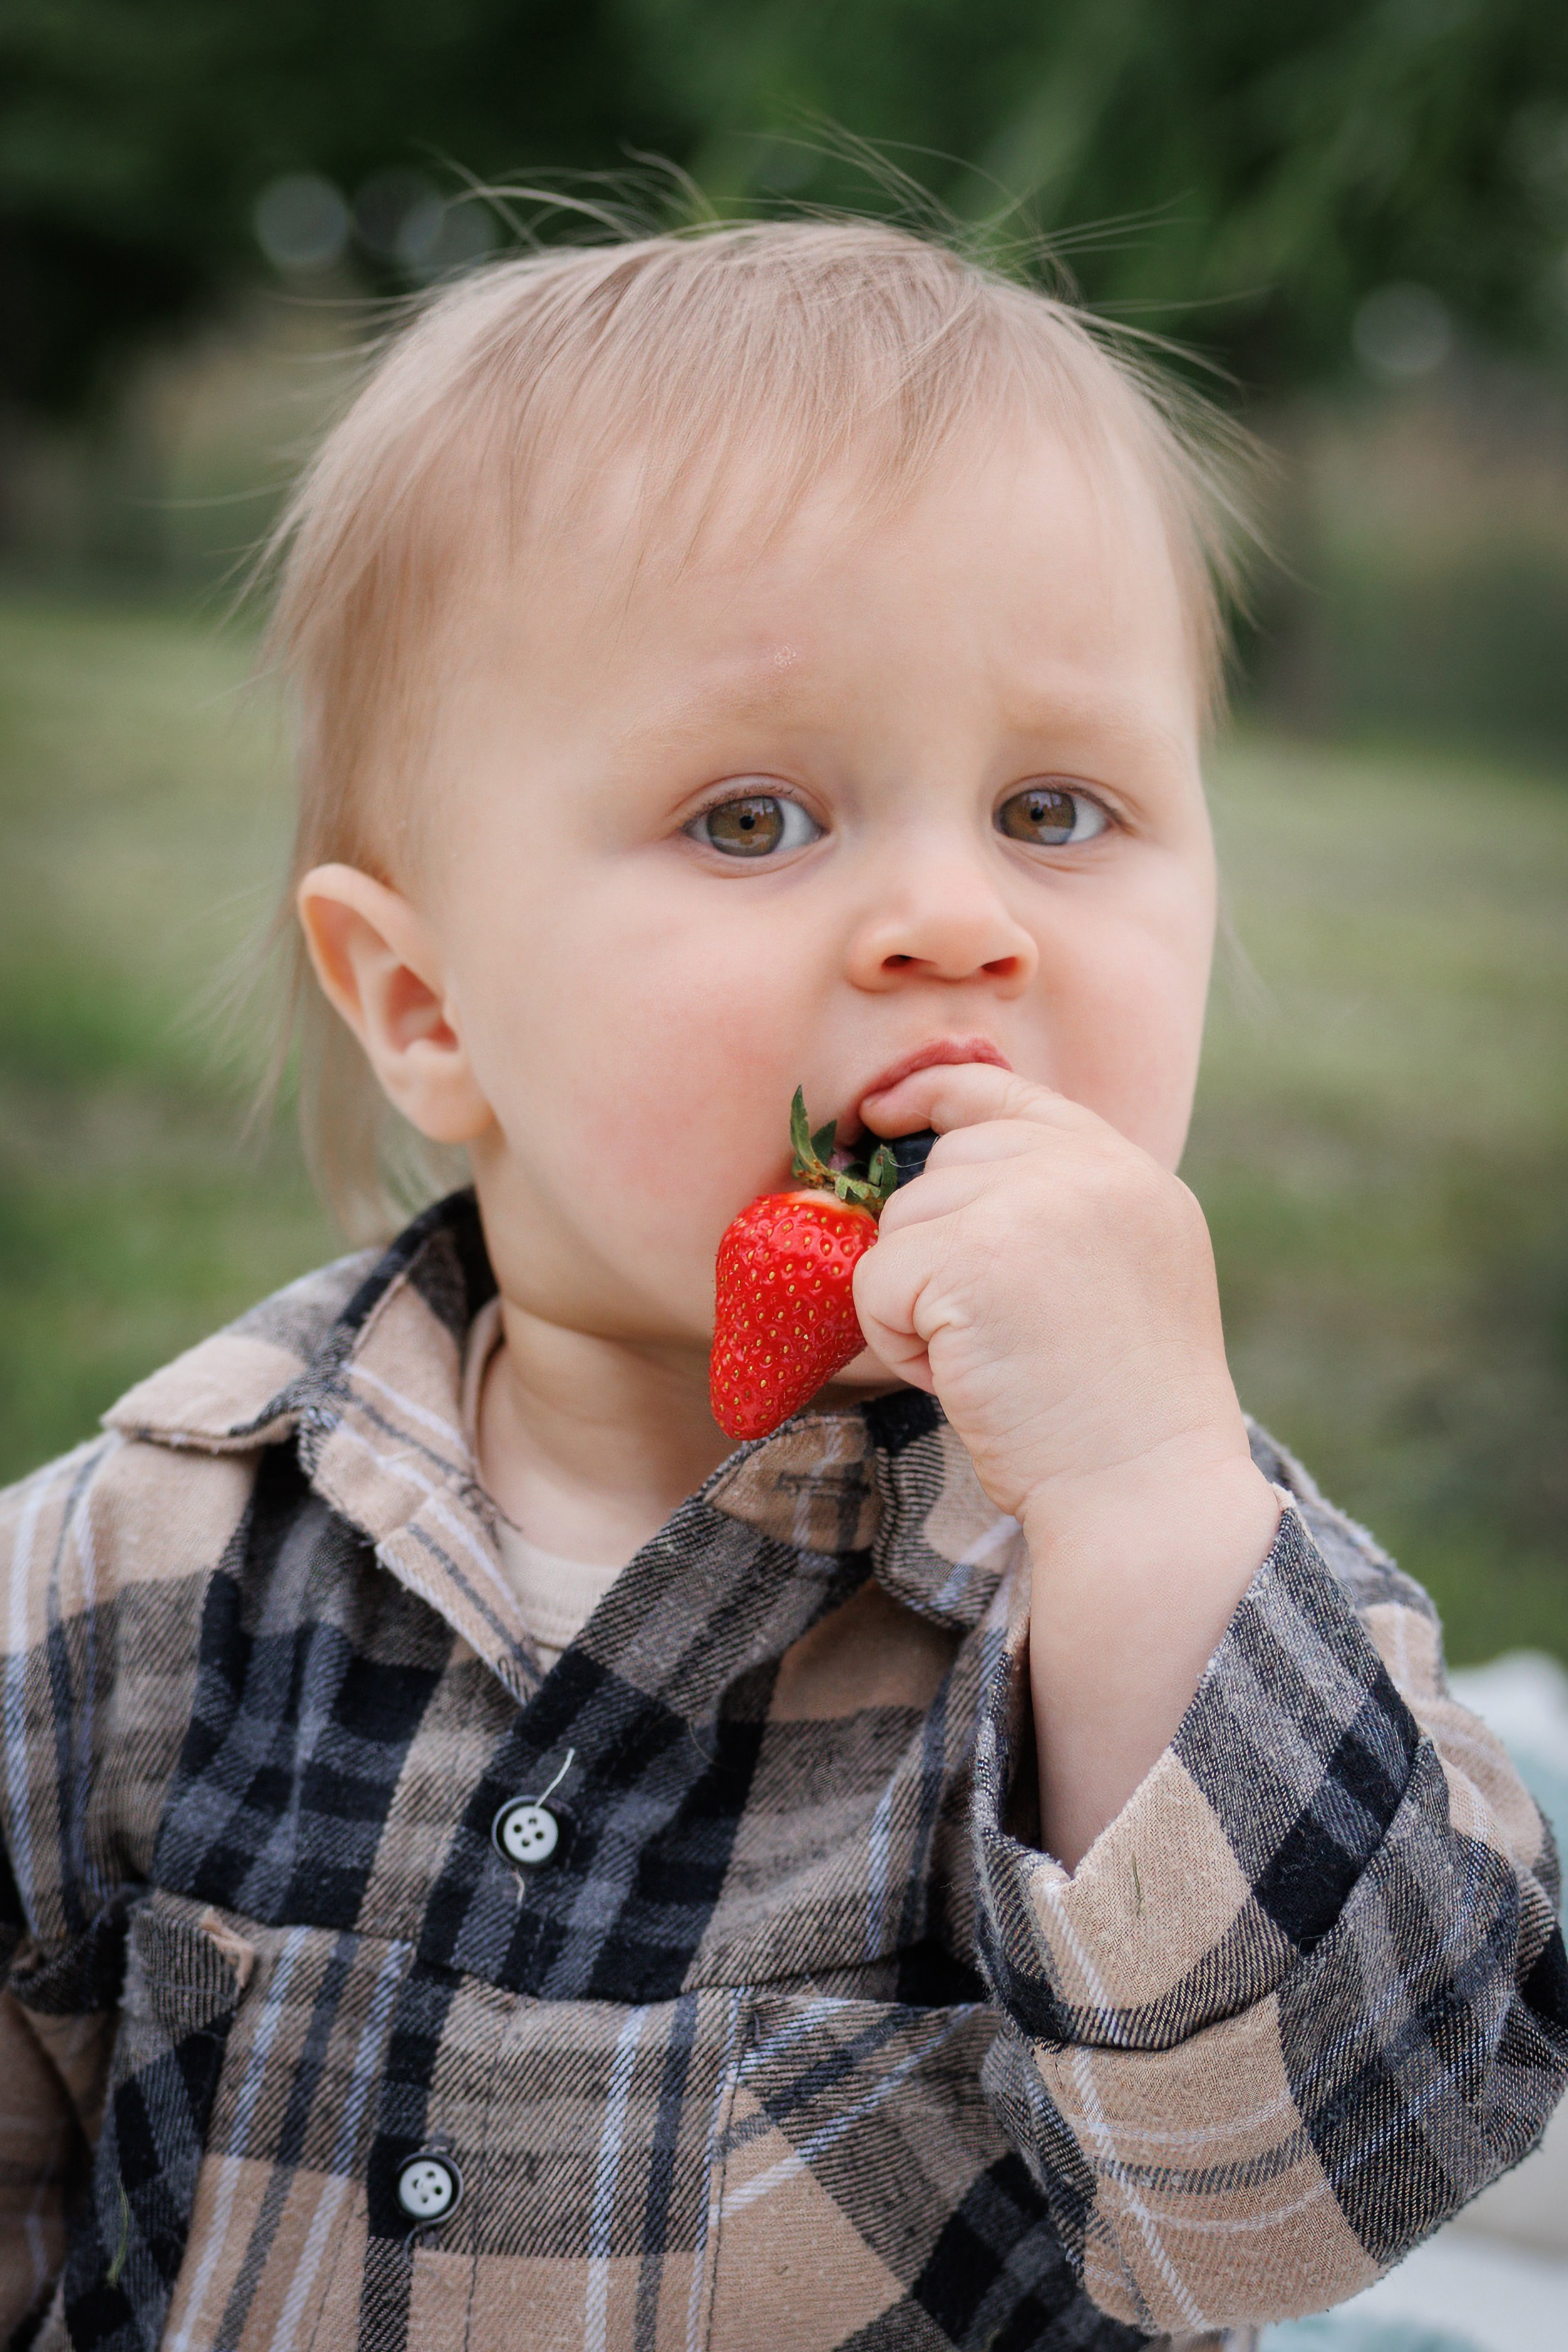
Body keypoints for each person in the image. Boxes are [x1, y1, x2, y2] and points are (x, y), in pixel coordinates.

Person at [1, 220, 1562, 2352]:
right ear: (424, 999)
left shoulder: (1171, 1590)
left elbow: (1336, 2182)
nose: (951, 916)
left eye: (1054, 804)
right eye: (752, 817)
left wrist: (1143, 1492)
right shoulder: (141, 1564)